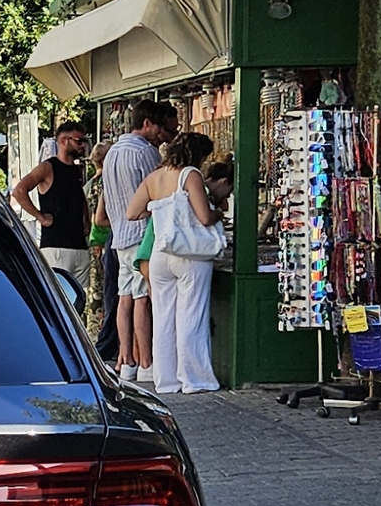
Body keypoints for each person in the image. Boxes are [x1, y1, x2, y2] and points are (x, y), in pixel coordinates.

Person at [143, 127, 223, 394]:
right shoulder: (191, 175)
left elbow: (133, 211)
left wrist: (161, 209)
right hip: (190, 254)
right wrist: (219, 213)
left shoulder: (154, 177)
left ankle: (166, 380)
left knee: (163, 317)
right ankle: (195, 379)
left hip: (159, 254)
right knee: (191, 316)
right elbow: (204, 217)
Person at [99, 99, 174, 380]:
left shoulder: (113, 153)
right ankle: (145, 362)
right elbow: (158, 191)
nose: (161, 135)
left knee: (124, 297)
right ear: (147, 124)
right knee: (142, 298)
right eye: (159, 128)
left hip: (119, 234)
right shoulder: (145, 153)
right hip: (142, 234)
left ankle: (126, 359)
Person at [12, 117, 93, 314]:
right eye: (78, 140)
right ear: (64, 141)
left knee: (79, 302)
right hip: (56, 243)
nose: (82, 145)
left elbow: (78, 194)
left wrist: (86, 217)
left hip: (78, 244)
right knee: (58, 301)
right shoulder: (48, 167)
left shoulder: (76, 170)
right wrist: (40, 217)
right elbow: (19, 190)